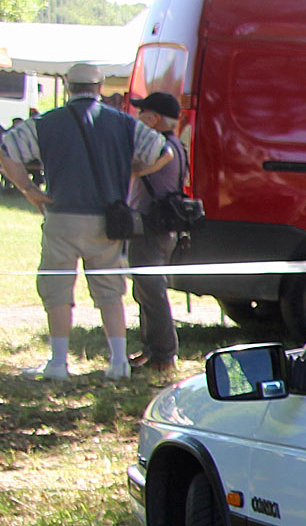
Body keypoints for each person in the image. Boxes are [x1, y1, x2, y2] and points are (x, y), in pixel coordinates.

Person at [0, 63, 171, 381]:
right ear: (100, 86)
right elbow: (164, 152)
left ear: (67, 86)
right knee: (109, 291)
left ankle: (58, 362)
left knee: (57, 290)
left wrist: (29, 189)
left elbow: (6, 149)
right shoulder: (123, 123)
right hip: (108, 219)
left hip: (62, 215)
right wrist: (137, 170)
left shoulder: (45, 122)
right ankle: (118, 362)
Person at [127, 91, 187, 371]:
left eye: (144, 113)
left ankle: (163, 354)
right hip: (160, 226)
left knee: (150, 290)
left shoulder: (160, 146)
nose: (139, 118)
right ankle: (151, 349)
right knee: (145, 290)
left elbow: (135, 170)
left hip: (151, 226)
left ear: (156, 118)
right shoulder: (175, 143)